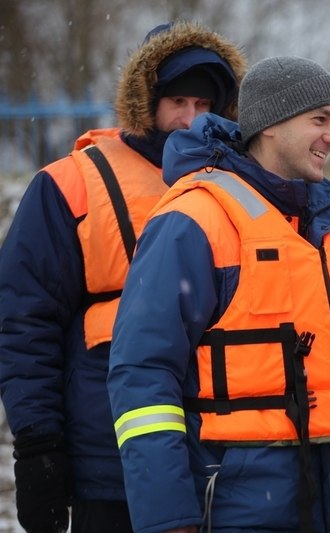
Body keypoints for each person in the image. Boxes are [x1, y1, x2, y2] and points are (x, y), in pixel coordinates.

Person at [106, 56, 330, 533]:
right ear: (270, 125)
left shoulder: (325, 226)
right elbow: (143, 375)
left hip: (323, 491)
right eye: (320, 120)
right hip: (232, 499)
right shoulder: (194, 221)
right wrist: (169, 518)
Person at [0, 21, 246, 533]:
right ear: (145, 100)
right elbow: (25, 321)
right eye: (178, 100)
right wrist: (39, 445)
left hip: (232, 466)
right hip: (111, 465)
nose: (191, 119)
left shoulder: (245, 183)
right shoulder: (70, 184)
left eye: (205, 106)